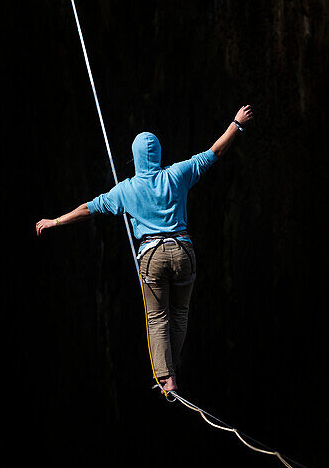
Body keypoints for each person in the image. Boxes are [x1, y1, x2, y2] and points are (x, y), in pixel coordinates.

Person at [36, 105, 253, 394]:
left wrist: (56, 221)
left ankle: (168, 378)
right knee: (180, 313)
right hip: (183, 251)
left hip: (151, 256)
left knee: (157, 317)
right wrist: (236, 124)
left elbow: (89, 209)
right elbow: (215, 152)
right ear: (159, 154)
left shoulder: (125, 189)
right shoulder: (177, 174)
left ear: (135, 157)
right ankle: (173, 368)